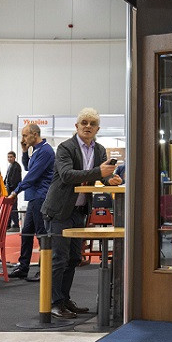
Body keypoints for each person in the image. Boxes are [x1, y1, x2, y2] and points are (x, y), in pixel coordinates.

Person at [42, 108, 122, 319]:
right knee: (59, 259)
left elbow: (101, 176)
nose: (88, 126)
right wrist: (99, 172)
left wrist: (110, 180)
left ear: (97, 129)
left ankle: (64, 299)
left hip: (79, 211)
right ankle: (54, 303)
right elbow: (67, 175)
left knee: (73, 258)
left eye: (92, 123)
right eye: (84, 122)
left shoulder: (100, 149)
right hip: (59, 211)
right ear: (76, 126)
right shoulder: (65, 147)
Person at [8, 124, 54, 280]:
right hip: (34, 197)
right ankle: (23, 267)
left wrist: (16, 191)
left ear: (35, 134)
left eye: (25, 135)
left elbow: (32, 175)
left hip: (41, 197)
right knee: (27, 233)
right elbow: (28, 167)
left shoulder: (46, 151)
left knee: (42, 234)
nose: (23, 139)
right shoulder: (36, 150)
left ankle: (44, 270)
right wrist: (24, 151)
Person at [4, 151, 22, 231]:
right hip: (9, 190)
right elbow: (7, 178)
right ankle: (8, 225)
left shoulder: (16, 166)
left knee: (13, 208)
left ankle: (16, 225)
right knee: (9, 208)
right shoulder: (10, 166)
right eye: (8, 157)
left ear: (14, 157)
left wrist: (12, 190)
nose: (9, 158)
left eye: (11, 157)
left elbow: (15, 180)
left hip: (13, 190)